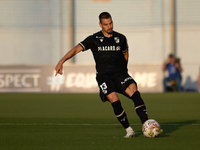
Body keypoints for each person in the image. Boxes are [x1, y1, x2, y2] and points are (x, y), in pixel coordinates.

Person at [55, 12, 160, 138]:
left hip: (120, 74)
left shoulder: (121, 38)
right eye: (106, 24)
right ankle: (129, 130)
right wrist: (61, 61)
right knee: (114, 99)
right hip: (104, 76)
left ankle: (146, 124)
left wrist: (123, 69)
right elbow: (76, 50)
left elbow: (125, 54)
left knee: (135, 92)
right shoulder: (93, 39)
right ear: (100, 24)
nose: (109, 26)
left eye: (110, 23)